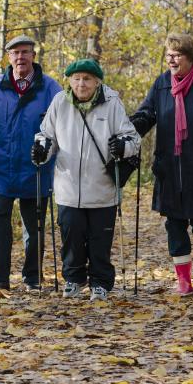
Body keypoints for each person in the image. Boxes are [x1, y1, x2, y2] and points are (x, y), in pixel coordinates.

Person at [130, 33, 193, 295]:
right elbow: (146, 114)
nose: (171, 60)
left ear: (190, 57)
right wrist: (131, 128)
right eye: (168, 56)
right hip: (168, 167)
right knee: (174, 225)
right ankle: (183, 281)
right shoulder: (161, 84)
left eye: (176, 55)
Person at [32, 59, 140, 301]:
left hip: (102, 189)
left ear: (97, 82)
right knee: (71, 238)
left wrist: (123, 146)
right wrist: (41, 150)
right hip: (68, 188)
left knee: (100, 241)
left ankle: (100, 283)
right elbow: (46, 135)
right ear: (69, 81)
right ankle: (73, 279)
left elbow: (133, 139)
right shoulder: (60, 102)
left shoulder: (112, 102)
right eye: (77, 78)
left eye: (87, 79)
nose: (82, 84)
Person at [0, 35, 63, 292]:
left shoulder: (51, 89)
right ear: (8, 57)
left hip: (37, 169)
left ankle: (32, 277)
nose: (20, 57)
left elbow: (62, 125)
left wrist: (50, 148)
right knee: (0, 222)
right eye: (15, 53)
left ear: (33, 55)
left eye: (25, 52)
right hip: (1, 168)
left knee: (35, 227)